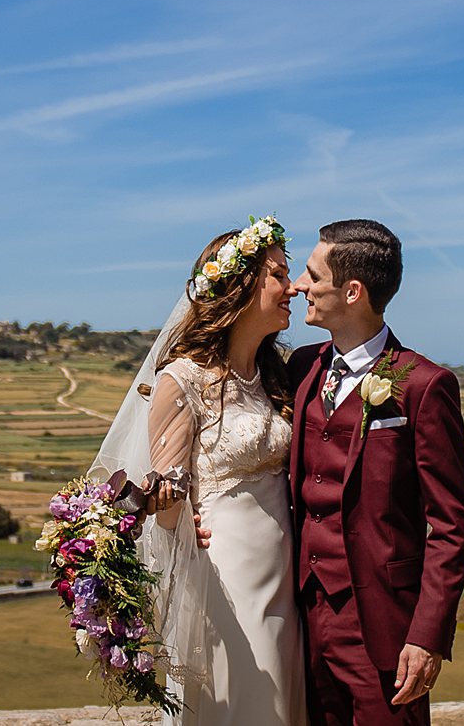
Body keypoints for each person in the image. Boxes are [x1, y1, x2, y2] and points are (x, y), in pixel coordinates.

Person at [92, 218, 306, 726]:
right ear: (241, 284)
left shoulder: (278, 373)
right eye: (279, 274)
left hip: (285, 568)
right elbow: (167, 507)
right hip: (226, 572)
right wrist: (165, 505)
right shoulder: (181, 379)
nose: (292, 287)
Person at [288, 218, 464, 726]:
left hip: (384, 625)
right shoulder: (300, 366)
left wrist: (427, 634)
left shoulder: (424, 385)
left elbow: (451, 525)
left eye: (311, 275)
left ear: (352, 291)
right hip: (300, 614)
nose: (301, 286)